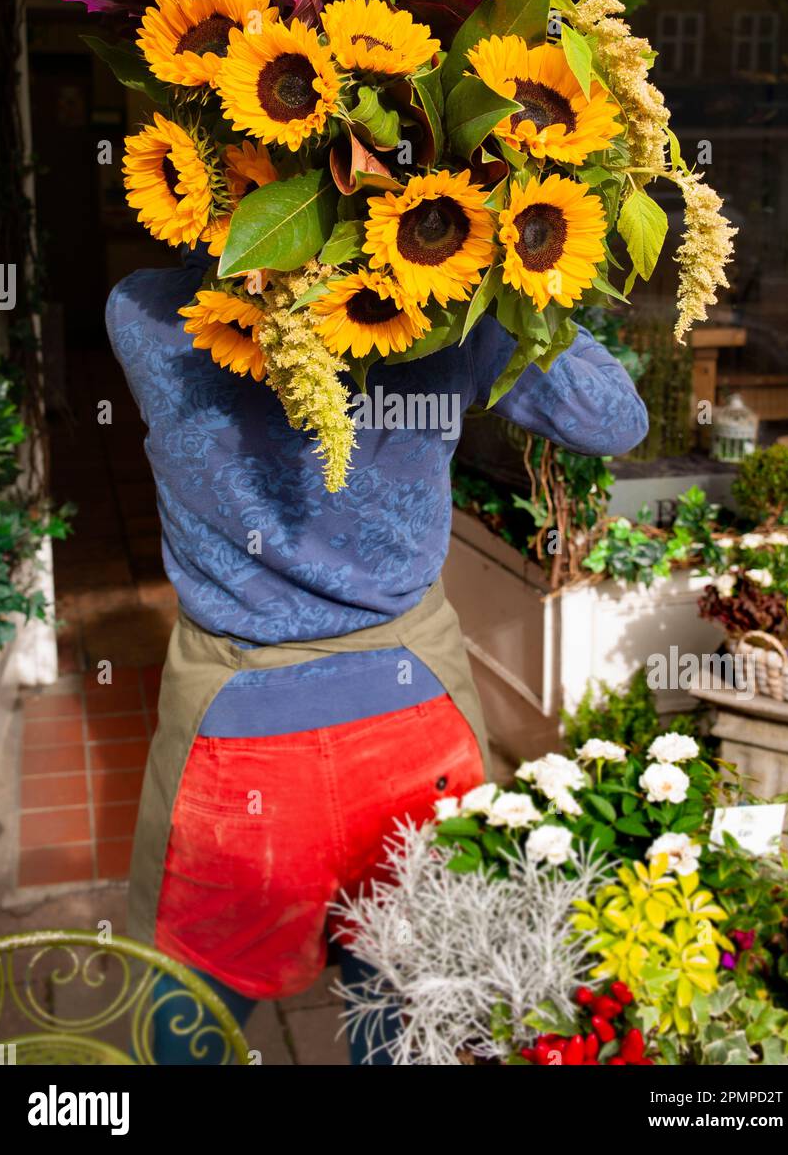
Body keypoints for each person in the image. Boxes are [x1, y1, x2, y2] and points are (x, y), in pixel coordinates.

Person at [106, 240, 648, 1064]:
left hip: (238, 743)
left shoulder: (144, 310)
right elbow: (612, 420)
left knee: (191, 1015)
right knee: (402, 1011)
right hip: (412, 721)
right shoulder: (449, 319)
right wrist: (500, 256)